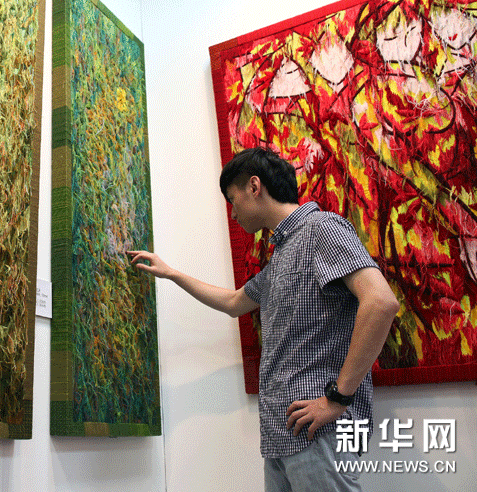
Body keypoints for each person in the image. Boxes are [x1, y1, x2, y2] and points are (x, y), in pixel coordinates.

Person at [127, 147, 400, 492]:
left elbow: (380, 302)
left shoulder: (322, 228)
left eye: (232, 199)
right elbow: (233, 302)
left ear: (254, 186)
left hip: (319, 431)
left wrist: (337, 399)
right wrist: (170, 273)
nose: (233, 212)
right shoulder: (282, 254)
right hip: (281, 434)